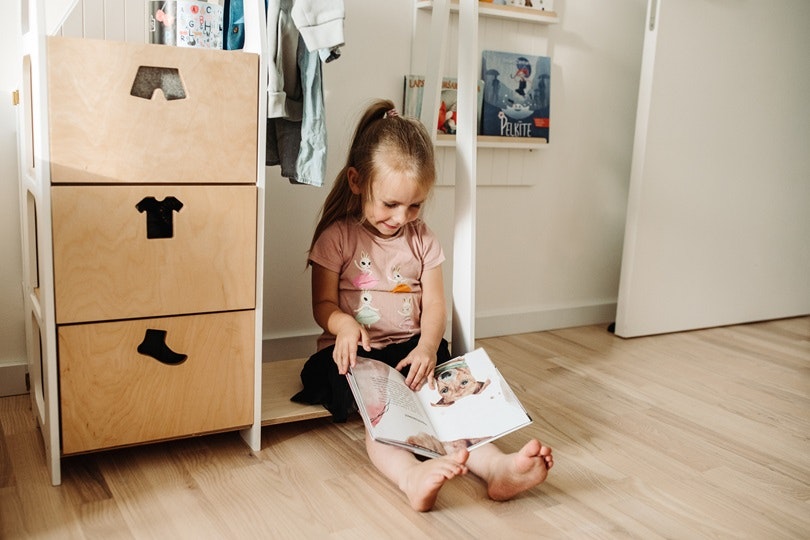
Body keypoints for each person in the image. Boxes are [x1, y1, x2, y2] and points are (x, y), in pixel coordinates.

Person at [292, 98, 554, 512]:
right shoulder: (337, 237)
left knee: (449, 407)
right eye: (390, 204)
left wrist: (428, 348)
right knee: (385, 416)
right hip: (356, 354)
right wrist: (342, 325)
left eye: (414, 205)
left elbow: (434, 306)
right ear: (357, 182)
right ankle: (409, 476)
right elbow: (322, 303)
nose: (402, 217)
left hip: (413, 348)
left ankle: (497, 468)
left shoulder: (422, 239)